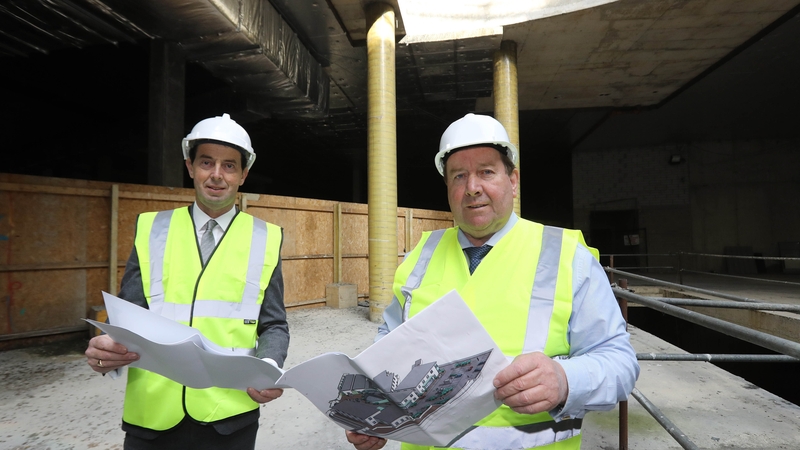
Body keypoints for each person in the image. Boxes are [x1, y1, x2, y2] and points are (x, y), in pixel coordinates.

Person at [346, 113, 639, 450]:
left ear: (513, 180)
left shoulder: (566, 256)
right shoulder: (419, 257)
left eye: (486, 171)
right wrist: (374, 415)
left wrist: (565, 381)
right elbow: (389, 346)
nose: (472, 188)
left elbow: (619, 362)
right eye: (459, 176)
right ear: (448, 188)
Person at [84, 113, 289, 450]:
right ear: (190, 166)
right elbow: (128, 314)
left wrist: (268, 367)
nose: (217, 175)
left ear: (243, 175)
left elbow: (274, 324)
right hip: (151, 416)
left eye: (229, 166)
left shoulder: (265, 238)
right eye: (207, 162)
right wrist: (106, 351)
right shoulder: (153, 229)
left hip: (230, 414)